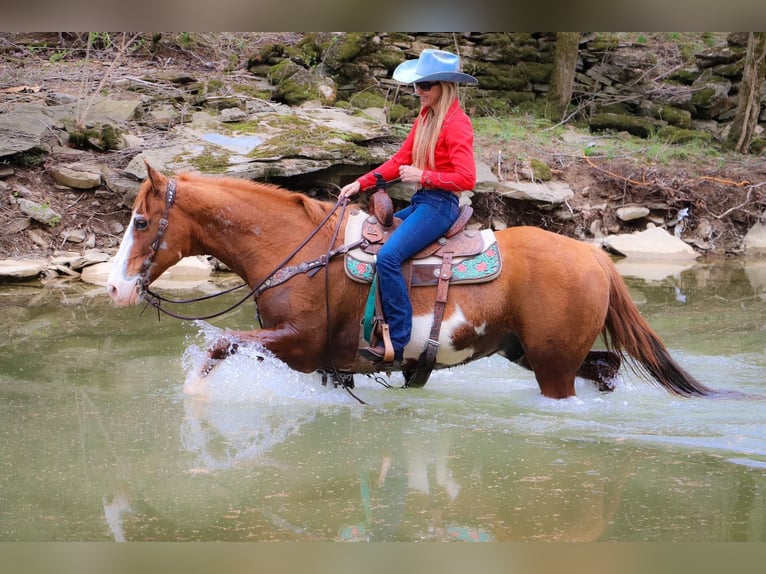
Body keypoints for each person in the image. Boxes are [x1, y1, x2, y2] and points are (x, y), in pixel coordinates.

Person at [340, 48, 478, 364]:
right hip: (421, 202)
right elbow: (400, 160)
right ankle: (369, 324)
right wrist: (362, 183)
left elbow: (467, 178)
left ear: (444, 86)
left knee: (389, 257)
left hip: (441, 206)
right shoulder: (426, 117)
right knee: (366, 241)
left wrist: (423, 175)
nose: (418, 91)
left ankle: (398, 343)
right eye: (416, 85)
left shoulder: (457, 123)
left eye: (425, 85)